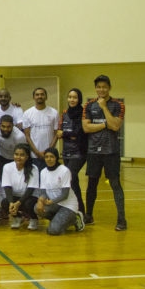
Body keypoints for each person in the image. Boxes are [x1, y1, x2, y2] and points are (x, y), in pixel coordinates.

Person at [82, 75, 126, 231]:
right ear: (95, 88)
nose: (101, 89)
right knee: (91, 185)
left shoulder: (118, 105)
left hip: (111, 151)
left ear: (109, 88)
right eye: (98, 87)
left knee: (115, 184)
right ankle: (88, 215)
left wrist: (104, 108)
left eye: (104, 87)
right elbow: (86, 128)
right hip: (93, 151)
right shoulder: (88, 105)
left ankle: (121, 220)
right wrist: (105, 124)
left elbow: (115, 126)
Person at [34, 147, 84, 235]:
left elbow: (65, 195)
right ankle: (59, 220)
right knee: (37, 208)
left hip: (67, 205)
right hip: (54, 204)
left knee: (53, 231)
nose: (49, 159)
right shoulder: (43, 172)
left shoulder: (64, 171)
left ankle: (75, 218)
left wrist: (51, 201)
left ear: (56, 158)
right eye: (46, 157)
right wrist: (40, 201)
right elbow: (43, 191)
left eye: (51, 157)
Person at [57, 88, 87, 216]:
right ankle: (75, 209)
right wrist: (66, 134)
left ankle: (80, 210)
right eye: (70, 97)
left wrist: (64, 134)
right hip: (66, 152)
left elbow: (78, 133)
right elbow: (60, 133)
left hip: (79, 152)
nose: (72, 99)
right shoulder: (65, 113)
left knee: (70, 178)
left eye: (74, 97)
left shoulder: (83, 114)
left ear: (79, 99)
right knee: (72, 181)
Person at [2, 143, 40, 230]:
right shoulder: (7, 167)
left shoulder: (33, 168)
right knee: (5, 202)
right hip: (15, 196)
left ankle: (34, 219)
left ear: (27, 157)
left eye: (22, 155)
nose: (18, 157)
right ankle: (17, 217)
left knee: (28, 204)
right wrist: (11, 203)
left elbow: (30, 190)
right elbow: (7, 187)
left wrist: (18, 203)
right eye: (16, 154)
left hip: (30, 197)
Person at [22, 87, 59, 169]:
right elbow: (27, 135)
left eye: (42, 94)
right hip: (34, 156)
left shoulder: (54, 113)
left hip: (50, 155)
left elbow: (56, 134)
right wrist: (37, 152)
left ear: (46, 97)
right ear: (33, 97)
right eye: (37, 94)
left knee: (49, 179)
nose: (40, 96)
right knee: (36, 180)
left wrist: (48, 151)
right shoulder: (27, 113)